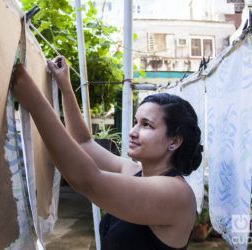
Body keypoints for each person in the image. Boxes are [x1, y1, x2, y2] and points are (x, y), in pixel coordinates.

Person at [12, 56, 203, 250]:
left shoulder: (177, 195)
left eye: (146, 125)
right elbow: (83, 143)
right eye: (136, 122)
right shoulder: (133, 172)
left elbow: (88, 181)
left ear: (174, 141)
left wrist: (35, 102)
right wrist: (66, 88)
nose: (133, 131)